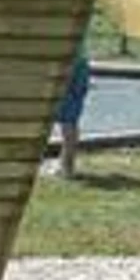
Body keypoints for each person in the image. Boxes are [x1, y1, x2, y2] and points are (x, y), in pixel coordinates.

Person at [49, 42, 92, 178]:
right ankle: (65, 165)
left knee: (68, 122)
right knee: (71, 121)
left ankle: (67, 168)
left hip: (70, 64)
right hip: (80, 65)